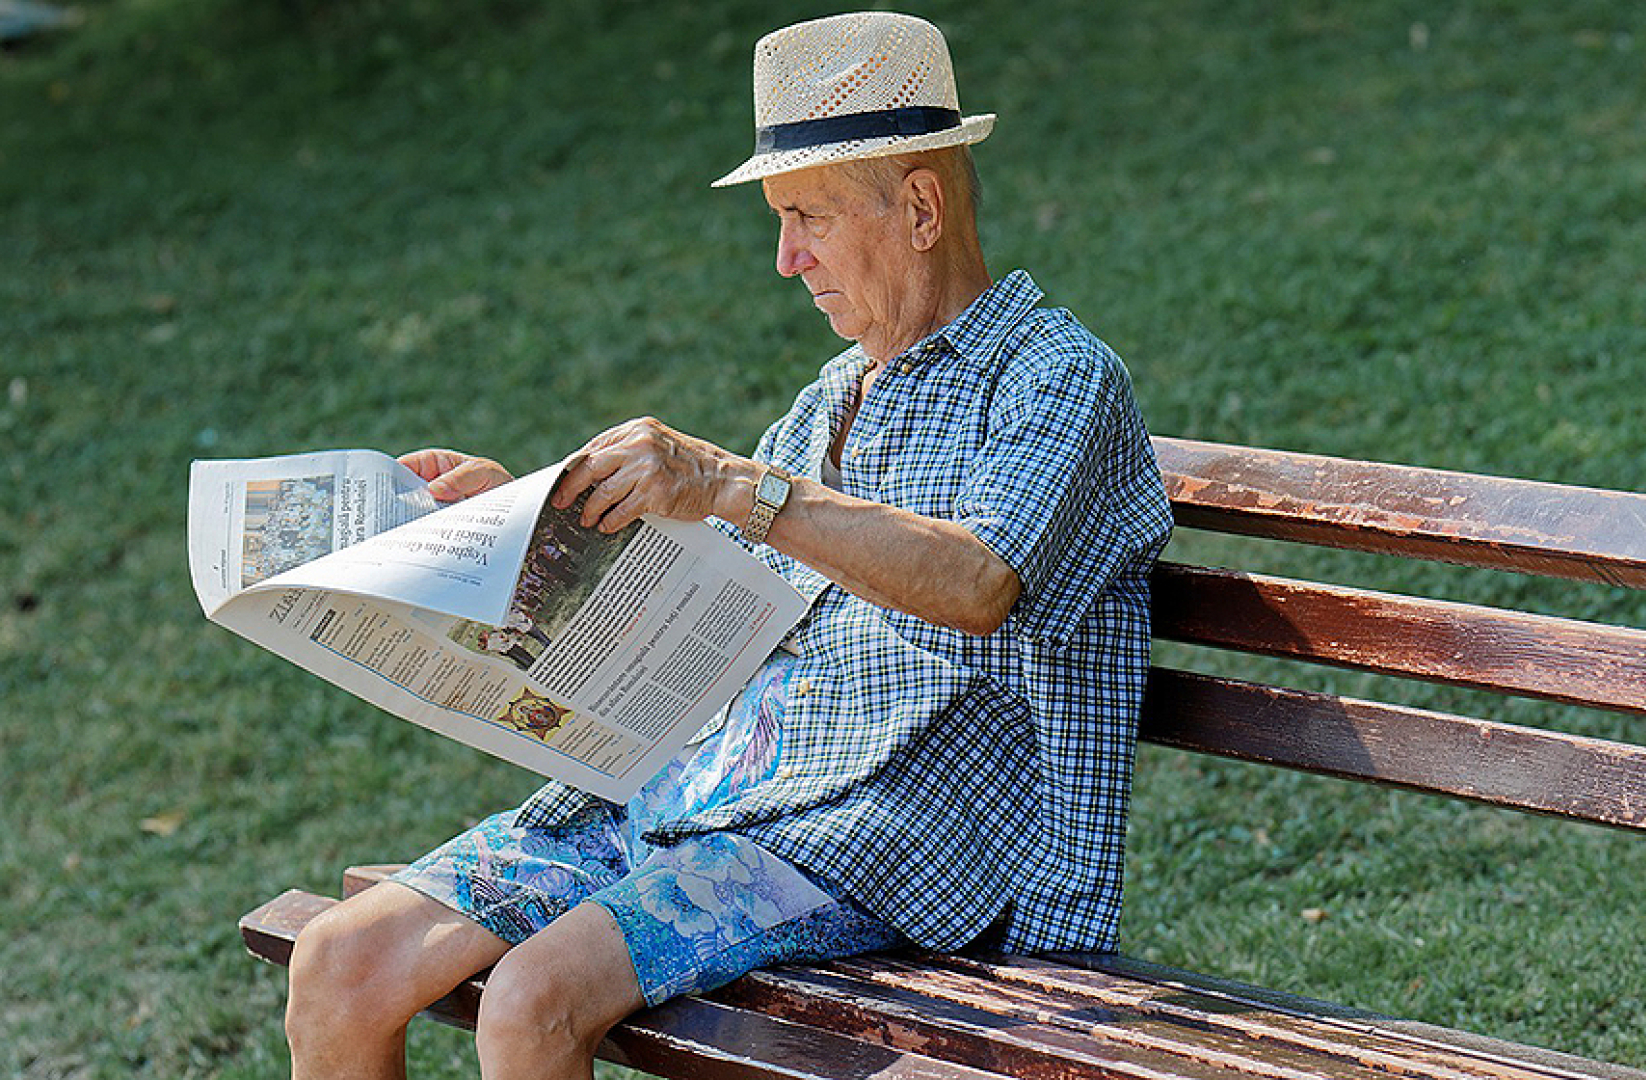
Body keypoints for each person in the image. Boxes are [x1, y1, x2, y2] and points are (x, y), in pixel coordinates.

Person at [281, 13, 1171, 1079]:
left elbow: (978, 580)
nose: (785, 257)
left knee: (533, 1002)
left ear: (921, 206)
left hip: (883, 833)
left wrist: (732, 486)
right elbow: (717, 600)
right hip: (713, 789)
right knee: (337, 964)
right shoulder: (827, 403)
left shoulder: (1056, 378)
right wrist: (510, 526)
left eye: (807, 217)